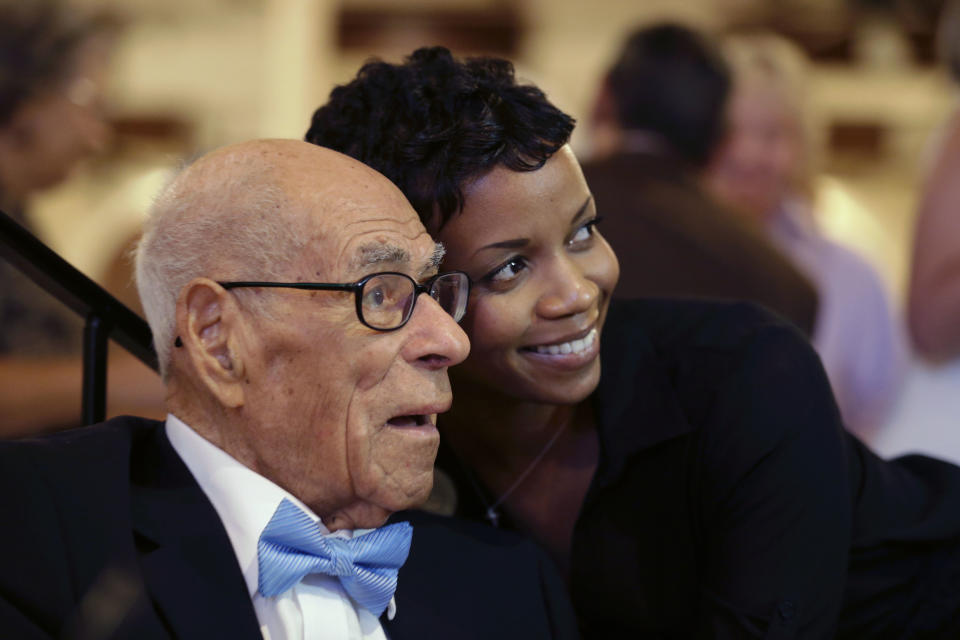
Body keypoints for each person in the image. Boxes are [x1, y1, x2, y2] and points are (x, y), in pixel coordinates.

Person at [306, 46, 960, 638]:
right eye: (511, 267)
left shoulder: (744, 377)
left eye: (583, 234)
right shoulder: (403, 455)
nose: (577, 292)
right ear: (408, 297)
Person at [0, 139, 579, 639]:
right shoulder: (32, 532)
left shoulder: (509, 588)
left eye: (430, 289)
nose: (450, 340)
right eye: (380, 294)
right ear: (218, 339)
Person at [705, 31, 907, 438]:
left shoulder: (853, 278)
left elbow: (879, 416)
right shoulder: (660, 258)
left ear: (803, 146)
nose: (748, 155)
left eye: (772, 134)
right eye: (731, 133)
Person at [582, 24, 819, 336]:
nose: (750, 156)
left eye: (773, 134)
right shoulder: (784, 286)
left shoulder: (552, 213)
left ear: (604, 97)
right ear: (720, 133)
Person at [0, 0, 163, 436]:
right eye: (89, 103)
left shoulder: (15, 215)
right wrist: (117, 384)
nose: (96, 137)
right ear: (26, 93)